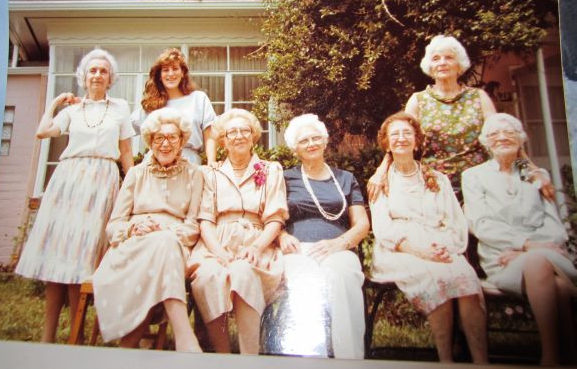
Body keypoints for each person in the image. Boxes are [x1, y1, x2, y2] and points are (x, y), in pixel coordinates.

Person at [15, 49, 135, 343]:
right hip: (68, 182)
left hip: (102, 181)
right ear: (83, 76)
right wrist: (56, 102)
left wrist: (132, 189)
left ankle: (76, 335)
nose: (97, 75)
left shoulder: (120, 108)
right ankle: (48, 337)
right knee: (57, 256)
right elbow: (42, 132)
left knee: (82, 257)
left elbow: (126, 153)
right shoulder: (72, 111)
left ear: (110, 78)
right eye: (92, 70)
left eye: (103, 71)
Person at [367, 34, 553, 201]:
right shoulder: (418, 100)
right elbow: (401, 141)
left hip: (482, 185)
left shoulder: (479, 97)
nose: (442, 62)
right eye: (436, 58)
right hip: (434, 187)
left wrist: (531, 169)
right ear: (430, 66)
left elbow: (501, 137)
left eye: (449, 57)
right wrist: (381, 171)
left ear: (459, 65)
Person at [369, 112, 488, 364]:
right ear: (387, 144)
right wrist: (420, 251)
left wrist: (445, 248)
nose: (401, 138)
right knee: (436, 278)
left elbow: (455, 221)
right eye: (395, 134)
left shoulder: (437, 179)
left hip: (439, 245)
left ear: (417, 141)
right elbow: (383, 228)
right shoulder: (380, 182)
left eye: (407, 133)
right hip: (398, 250)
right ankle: (446, 360)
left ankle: (481, 361)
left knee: (466, 278)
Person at [462, 113, 577, 366]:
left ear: (521, 138)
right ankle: (556, 356)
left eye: (509, 132)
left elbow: (554, 226)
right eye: (494, 134)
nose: (502, 137)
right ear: (486, 142)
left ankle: (557, 357)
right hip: (502, 259)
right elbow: (481, 225)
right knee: (551, 276)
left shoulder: (535, 174)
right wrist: (525, 245)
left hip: (543, 254)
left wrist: (529, 250)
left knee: (543, 269)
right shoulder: (474, 176)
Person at [92, 108, 203, 351]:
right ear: (150, 141)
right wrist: (133, 227)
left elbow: (193, 225)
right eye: (159, 138)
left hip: (174, 244)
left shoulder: (195, 174)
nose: (165, 143)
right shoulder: (136, 174)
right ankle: (184, 337)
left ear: (182, 141)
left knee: (165, 243)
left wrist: (169, 233)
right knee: (162, 246)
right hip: (134, 247)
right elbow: (114, 226)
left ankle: (130, 345)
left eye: (172, 137)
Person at [188, 108, 288, 354]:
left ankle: (248, 357)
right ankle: (223, 356)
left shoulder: (271, 169)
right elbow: (205, 220)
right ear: (223, 140)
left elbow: (275, 218)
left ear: (254, 137)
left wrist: (256, 247)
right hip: (216, 242)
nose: (239, 136)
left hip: (257, 241)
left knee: (244, 272)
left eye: (245, 130)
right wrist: (219, 253)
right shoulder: (210, 173)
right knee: (207, 276)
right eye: (232, 132)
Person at [275, 113, 370, 359]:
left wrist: (340, 243)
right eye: (304, 140)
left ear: (325, 141)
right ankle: (312, 359)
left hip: (337, 249)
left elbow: (362, 224)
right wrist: (281, 235)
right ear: (295, 148)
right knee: (304, 281)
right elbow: (271, 216)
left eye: (315, 138)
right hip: (298, 250)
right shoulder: (285, 178)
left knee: (343, 276)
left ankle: (350, 360)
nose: (311, 144)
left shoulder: (345, 179)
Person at [131, 47, 217, 166]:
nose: (171, 74)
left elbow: (210, 134)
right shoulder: (151, 105)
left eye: (175, 69)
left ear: (182, 73)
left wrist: (211, 162)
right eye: (166, 70)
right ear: (159, 76)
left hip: (188, 162)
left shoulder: (198, 98)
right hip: (155, 163)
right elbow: (123, 130)